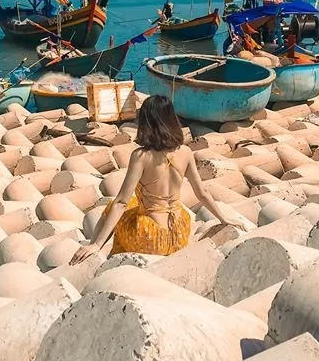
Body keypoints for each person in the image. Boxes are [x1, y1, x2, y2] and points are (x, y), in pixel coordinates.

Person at [71, 95, 251, 264]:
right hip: (178, 233)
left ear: (146, 123)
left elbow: (121, 202)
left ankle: (99, 250)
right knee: (134, 205)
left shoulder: (141, 156)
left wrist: (96, 243)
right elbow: (202, 193)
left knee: (113, 206)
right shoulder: (186, 152)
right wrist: (224, 218)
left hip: (150, 236)